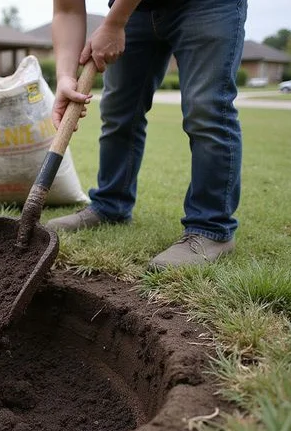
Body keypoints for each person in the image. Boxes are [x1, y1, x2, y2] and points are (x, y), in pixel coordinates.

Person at [46, 0, 248, 268]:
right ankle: (110, 206)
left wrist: (115, 23)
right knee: (118, 112)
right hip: (136, 11)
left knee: (206, 110)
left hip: (207, 5)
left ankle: (211, 229)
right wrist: (64, 78)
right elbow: (67, 9)